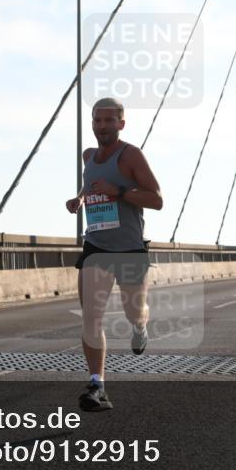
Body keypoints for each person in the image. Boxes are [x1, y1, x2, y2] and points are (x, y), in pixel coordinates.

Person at [65, 97, 163, 412]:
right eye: (97, 120)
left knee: (134, 310)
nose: (102, 126)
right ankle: (97, 385)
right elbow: (92, 185)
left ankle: (139, 327)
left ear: (121, 123)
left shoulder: (131, 155)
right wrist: (80, 199)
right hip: (96, 245)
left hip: (130, 247)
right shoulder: (88, 156)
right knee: (91, 316)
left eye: (109, 120)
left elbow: (156, 199)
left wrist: (118, 192)